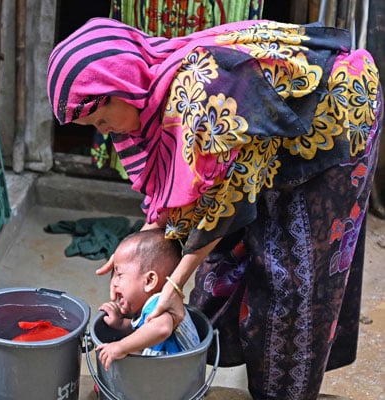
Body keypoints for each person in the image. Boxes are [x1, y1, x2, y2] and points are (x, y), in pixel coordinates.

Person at [47, 17, 382, 400]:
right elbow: (182, 193)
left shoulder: (202, 99)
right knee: (219, 255)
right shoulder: (159, 89)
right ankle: (226, 351)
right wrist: (140, 246)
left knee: (290, 276)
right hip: (265, 141)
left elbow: (227, 200)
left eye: (103, 119)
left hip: (336, 114)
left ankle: (283, 392)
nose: (105, 132)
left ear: (121, 88)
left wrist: (173, 284)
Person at [96, 229, 200, 371]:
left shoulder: (159, 303)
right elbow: (146, 332)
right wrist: (121, 323)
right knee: (125, 350)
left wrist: (120, 347)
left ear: (149, 280)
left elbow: (161, 329)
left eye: (119, 274)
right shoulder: (148, 307)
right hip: (171, 369)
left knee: (122, 353)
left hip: (176, 376)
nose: (113, 283)